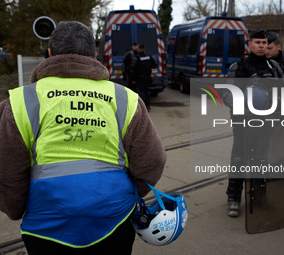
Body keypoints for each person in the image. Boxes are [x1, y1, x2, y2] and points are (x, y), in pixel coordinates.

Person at [0, 21, 166, 255]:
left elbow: (7, 172)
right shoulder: (125, 98)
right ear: (95, 55)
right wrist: (130, 193)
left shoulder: (19, 102)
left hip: (46, 228)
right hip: (114, 221)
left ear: (49, 54)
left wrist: (16, 209)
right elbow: (153, 161)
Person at [222, 29, 284, 218]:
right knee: (239, 160)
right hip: (243, 123)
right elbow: (227, 95)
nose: (262, 46)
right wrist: (248, 109)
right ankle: (233, 198)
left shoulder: (274, 67)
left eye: (265, 43)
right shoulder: (239, 67)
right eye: (257, 43)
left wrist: (282, 113)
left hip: (266, 124)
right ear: (249, 44)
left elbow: (283, 92)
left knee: (261, 160)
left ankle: (259, 197)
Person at [130, 44, 157, 112]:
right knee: (147, 92)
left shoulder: (136, 58)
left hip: (140, 78)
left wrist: (133, 79)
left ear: (139, 49)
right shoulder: (149, 57)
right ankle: (148, 107)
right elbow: (154, 65)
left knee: (141, 92)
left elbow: (133, 69)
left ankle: (143, 108)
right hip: (148, 77)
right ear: (144, 49)